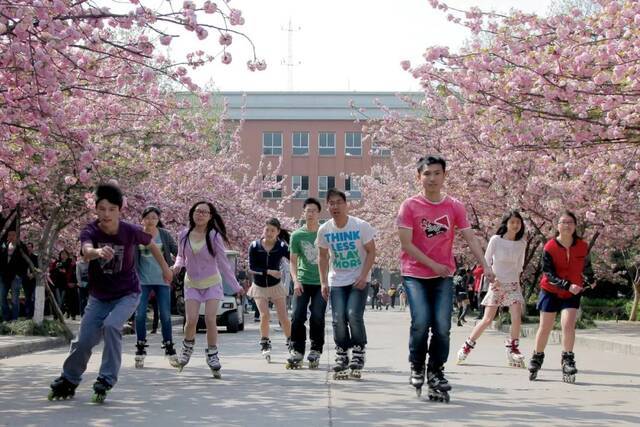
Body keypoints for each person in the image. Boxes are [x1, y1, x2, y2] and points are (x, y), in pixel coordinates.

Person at [48, 183, 172, 403]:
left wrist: (165, 269)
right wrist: (97, 251)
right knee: (85, 340)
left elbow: (152, 244)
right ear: (96, 209)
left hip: (127, 294)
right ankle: (69, 378)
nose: (106, 214)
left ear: (119, 210)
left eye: (111, 209)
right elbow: (86, 252)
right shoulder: (91, 230)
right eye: (102, 209)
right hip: (99, 297)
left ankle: (106, 378)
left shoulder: (130, 230)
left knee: (112, 325)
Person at [396, 155, 495, 401]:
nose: (432, 178)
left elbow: (470, 238)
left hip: (443, 275)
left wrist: (486, 266)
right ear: (419, 177)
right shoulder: (409, 206)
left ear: (444, 176)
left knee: (442, 326)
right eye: (427, 173)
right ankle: (417, 365)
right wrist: (433, 264)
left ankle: (436, 371)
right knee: (421, 321)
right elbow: (406, 244)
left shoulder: (454, 206)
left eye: (437, 173)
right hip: (415, 273)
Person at [172, 201, 243, 378]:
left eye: (205, 212)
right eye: (197, 211)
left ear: (210, 216)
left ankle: (212, 355)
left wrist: (235, 286)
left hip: (212, 283)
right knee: (191, 320)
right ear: (192, 214)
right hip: (192, 284)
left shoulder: (214, 236)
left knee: (211, 319)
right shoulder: (183, 235)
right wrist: (176, 267)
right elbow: (181, 256)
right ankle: (187, 349)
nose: (200, 214)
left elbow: (223, 263)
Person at [528, 210, 594, 383]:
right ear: (557, 226)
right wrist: (566, 285)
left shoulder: (582, 246)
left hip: (571, 293)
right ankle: (537, 357)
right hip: (550, 290)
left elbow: (587, 268)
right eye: (563, 222)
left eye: (570, 222)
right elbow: (548, 273)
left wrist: (589, 280)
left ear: (575, 226)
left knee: (568, 324)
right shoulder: (549, 246)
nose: (567, 225)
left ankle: (567, 359)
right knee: (545, 326)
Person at [317, 188, 376, 379]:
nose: (335, 206)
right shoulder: (325, 229)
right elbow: (323, 256)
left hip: (358, 280)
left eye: (338, 202)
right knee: (337, 318)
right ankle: (342, 353)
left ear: (346, 204)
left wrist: (363, 275)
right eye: (331, 203)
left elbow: (371, 252)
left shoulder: (360, 226)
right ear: (328, 206)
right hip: (337, 280)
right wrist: (323, 282)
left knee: (352, 314)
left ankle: (358, 351)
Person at [457, 211, 527, 368]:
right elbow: (486, 262)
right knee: (488, 319)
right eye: (512, 222)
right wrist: (492, 280)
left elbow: (520, 266)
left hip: (513, 283)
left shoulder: (522, 243)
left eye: (518, 222)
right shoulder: (496, 240)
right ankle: (467, 346)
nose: (516, 225)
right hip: (497, 282)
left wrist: (517, 282)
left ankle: (513, 348)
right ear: (506, 224)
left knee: (516, 315)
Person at [133, 206, 180, 369]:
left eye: (154, 217)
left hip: (162, 280)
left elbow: (178, 252)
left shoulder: (164, 235)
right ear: (142, 219)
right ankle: (140, 347)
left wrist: (173, 268)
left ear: (158, 219)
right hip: (142, 281)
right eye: (147, 217)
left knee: (166, 315)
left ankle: (169, 346)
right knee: (139, 315)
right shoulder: (137, 234)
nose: (150, 220)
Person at [287, 198, 326, 369]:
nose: (310, 213)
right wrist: (295, 281)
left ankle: (316, 349)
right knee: (297, 316)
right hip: (302, 281)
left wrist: (328, 280)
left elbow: (330, 257)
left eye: (313, 211)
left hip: (321, 282)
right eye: (307, 210)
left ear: (319, 213)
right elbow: (293, 261)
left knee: (317, 316)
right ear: (303, 212)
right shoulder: (296, 235)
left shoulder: (324, 233)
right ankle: (297, 350)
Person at [248, 218, 291, 362]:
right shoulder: (254, 246)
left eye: (273, 230)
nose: (269, 233)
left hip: (276, 286)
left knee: (283, 317)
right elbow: (252, 268)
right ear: (263, 230)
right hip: (259, 286)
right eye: (267, 229)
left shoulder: (281, 246)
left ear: (278, 232)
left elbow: (293, 258)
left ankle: (291, 342)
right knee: (265, 315)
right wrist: (269, 272)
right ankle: (265, 343)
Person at [0, 230, 27, 321]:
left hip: (16, 277)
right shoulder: (4, 246)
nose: (11, 236)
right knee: (2, 297)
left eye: (13, 235)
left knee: (15, 299)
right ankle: (6, 317)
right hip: (4, 276)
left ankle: (14, 319)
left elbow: (25, 262)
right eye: (9, 235)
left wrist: (19, 275)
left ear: (17, 236)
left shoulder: (21, 247)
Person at [49, 249, 74, 316]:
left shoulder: (69, 263)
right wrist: (56, 269)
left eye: (65, 254)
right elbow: (51, 271)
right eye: (62, 254)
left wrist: (65, 272)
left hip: (65, 283)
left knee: (62, 299)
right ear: (60, 255)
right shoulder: (56, 262)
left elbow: (70, 273)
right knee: (58, 299)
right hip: (57, 283)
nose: (63, 256)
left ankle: (59, 314)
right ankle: (58, 314)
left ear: (67, 255)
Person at [23, 242, 38, 319]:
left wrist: (33, 274)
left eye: (30, 247)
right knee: (27, 297)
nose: (28, 248)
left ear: (32, 248)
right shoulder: (23, 257)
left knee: (34, 297)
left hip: (33, 279)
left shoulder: (36, 257)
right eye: (27, 247)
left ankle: (33, 313)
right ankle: (28, 314)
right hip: (25, 280)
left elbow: (38, 268)